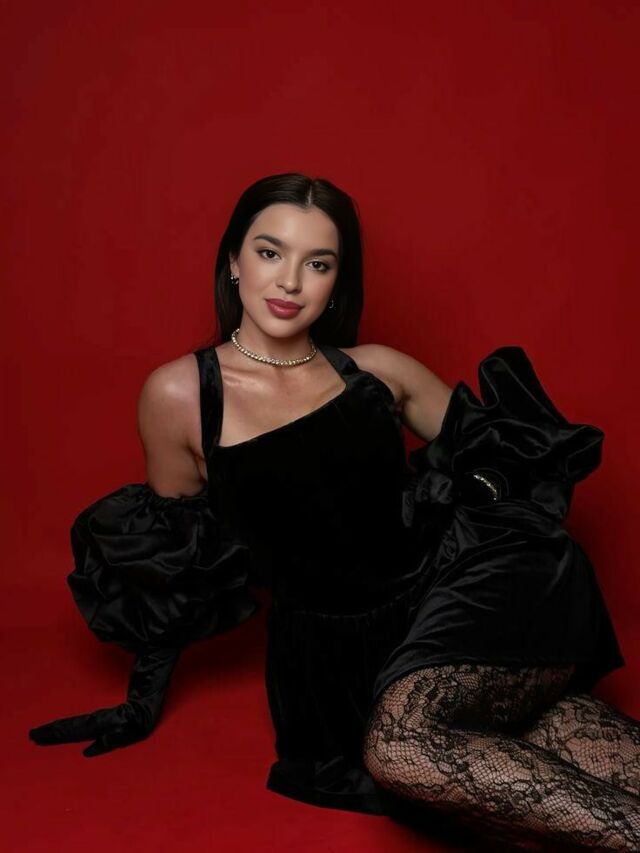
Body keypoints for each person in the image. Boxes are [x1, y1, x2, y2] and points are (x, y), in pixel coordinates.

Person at [29, 172, 640, 850]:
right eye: (270, 252)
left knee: (406, 748)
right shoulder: (179, 395)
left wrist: (474, 501)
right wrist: (142, 702)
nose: (290, 281)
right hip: (327, 669)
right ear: (233, 261)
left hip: (456, 603)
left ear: (336, 280)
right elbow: (174, 564)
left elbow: (511, 452)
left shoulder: (378, 371)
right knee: (540, 735)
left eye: (317, 263)